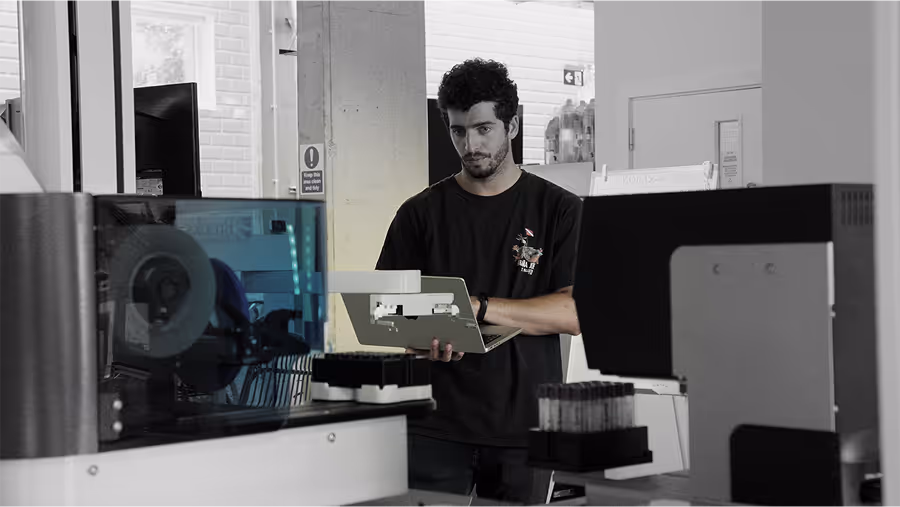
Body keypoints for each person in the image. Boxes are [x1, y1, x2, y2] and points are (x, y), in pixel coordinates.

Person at [375, 58, 582, 503]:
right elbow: (387, 307)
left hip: (523, 427)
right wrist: (416, 335)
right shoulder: (420, 213)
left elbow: (574, 311)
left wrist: (479, 308)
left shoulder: (560, 210)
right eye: (458, 131)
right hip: (433, 424)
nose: (470, 145)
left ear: (513, 124)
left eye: (483, 129)